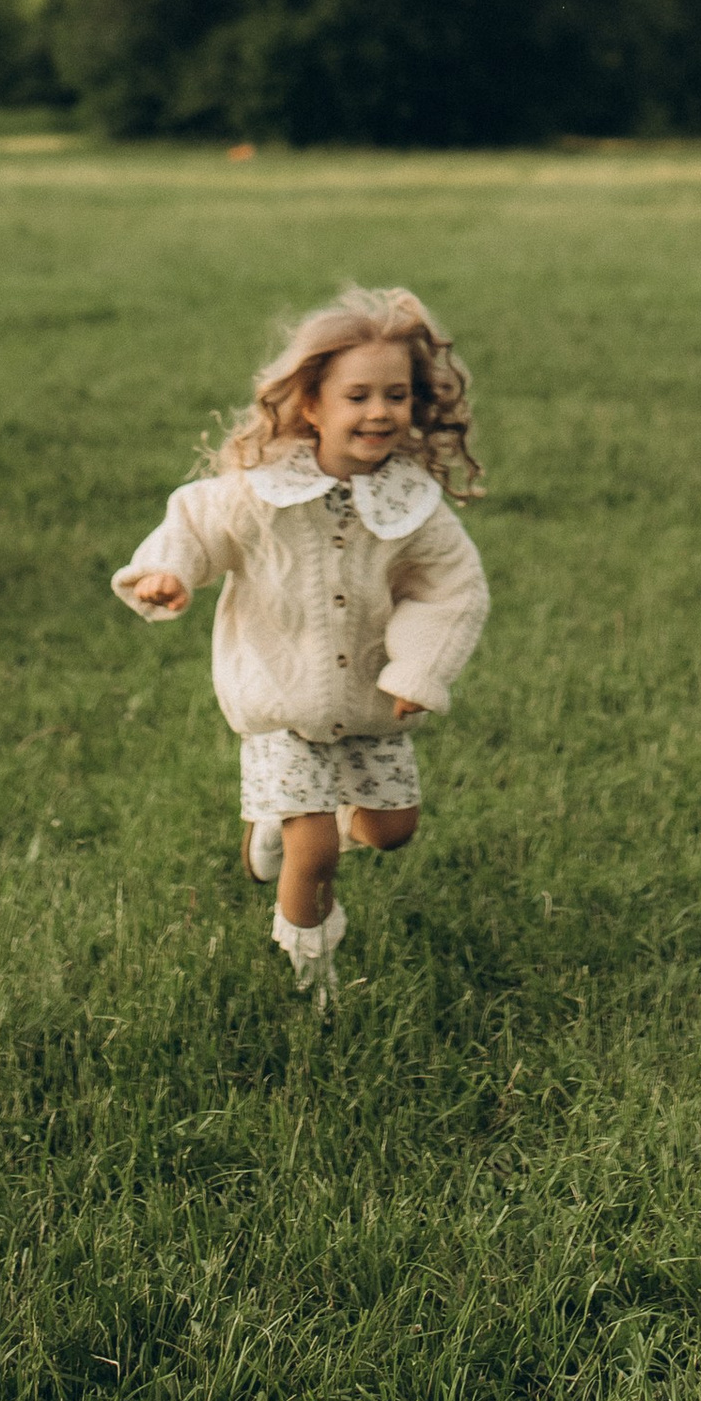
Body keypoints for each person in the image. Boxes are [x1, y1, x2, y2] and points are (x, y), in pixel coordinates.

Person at [113, 286, 490, 1001]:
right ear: (312, 404)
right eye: (358, 396)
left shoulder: (414, 505)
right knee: (314, 851)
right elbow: (195, 523)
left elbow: (451, 589)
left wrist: (418, 669)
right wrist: (168, 572)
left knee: (391, 830)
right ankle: (312, 977)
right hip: (280, 700)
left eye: (396, 396)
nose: (379, 412)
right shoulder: (260, 491)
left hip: (369, 703)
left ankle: (273, 823)